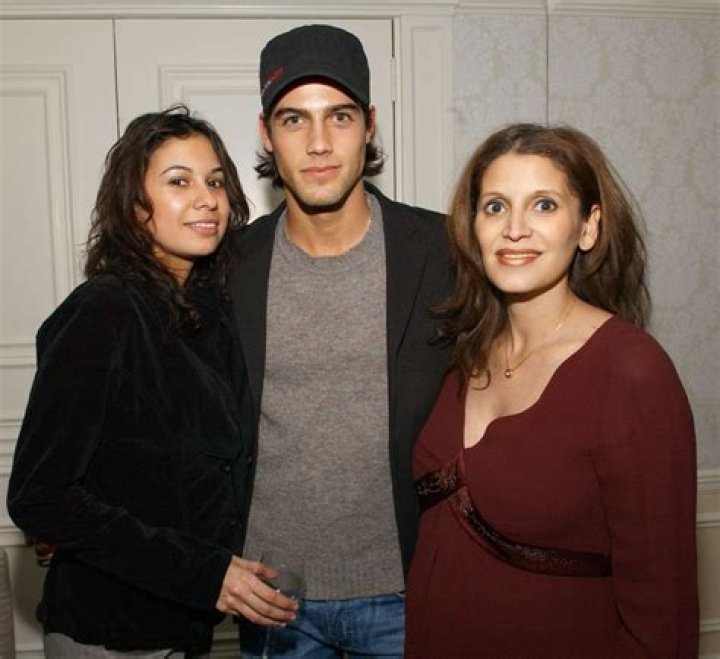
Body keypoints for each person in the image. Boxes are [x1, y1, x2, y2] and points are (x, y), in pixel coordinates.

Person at [6, 105, 297, 658]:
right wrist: (204, 571)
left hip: (182, 627)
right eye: (179, 182)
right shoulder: (104, 310)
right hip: (109, 632)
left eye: (215, 181)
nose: (206, 199)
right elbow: (39, 497)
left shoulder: (209, 312)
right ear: (135, 205)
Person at [405, 123, 699, 657]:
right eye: (495, 207)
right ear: (474, 227)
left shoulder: (631, 371)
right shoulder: (463, 352)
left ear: (588, 227)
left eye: (543, 205)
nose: (515, 229)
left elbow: (663, 607)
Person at [227, 24, 453, 658]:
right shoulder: (228, 266)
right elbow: (174, 416)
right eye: (294, 119)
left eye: (340, 116)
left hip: (407, 590)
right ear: (266, 134)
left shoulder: (443, 252)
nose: (319, 143)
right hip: (271, 598)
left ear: (370, 126)